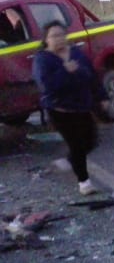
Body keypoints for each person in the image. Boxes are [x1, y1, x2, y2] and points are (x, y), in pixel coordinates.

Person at [32, 21, 109, 196]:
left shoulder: (75, 53)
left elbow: (92, 76)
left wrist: (102, 96)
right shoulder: (43, 59)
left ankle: (70, 160)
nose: (59, 39)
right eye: (54, 36)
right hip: (60, 110)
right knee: (77, 146)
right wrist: (65, 71)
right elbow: (46, 86)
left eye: (61, 35)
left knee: (90, 141)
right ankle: (84, 182)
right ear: (46, 40)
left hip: (82, 106)